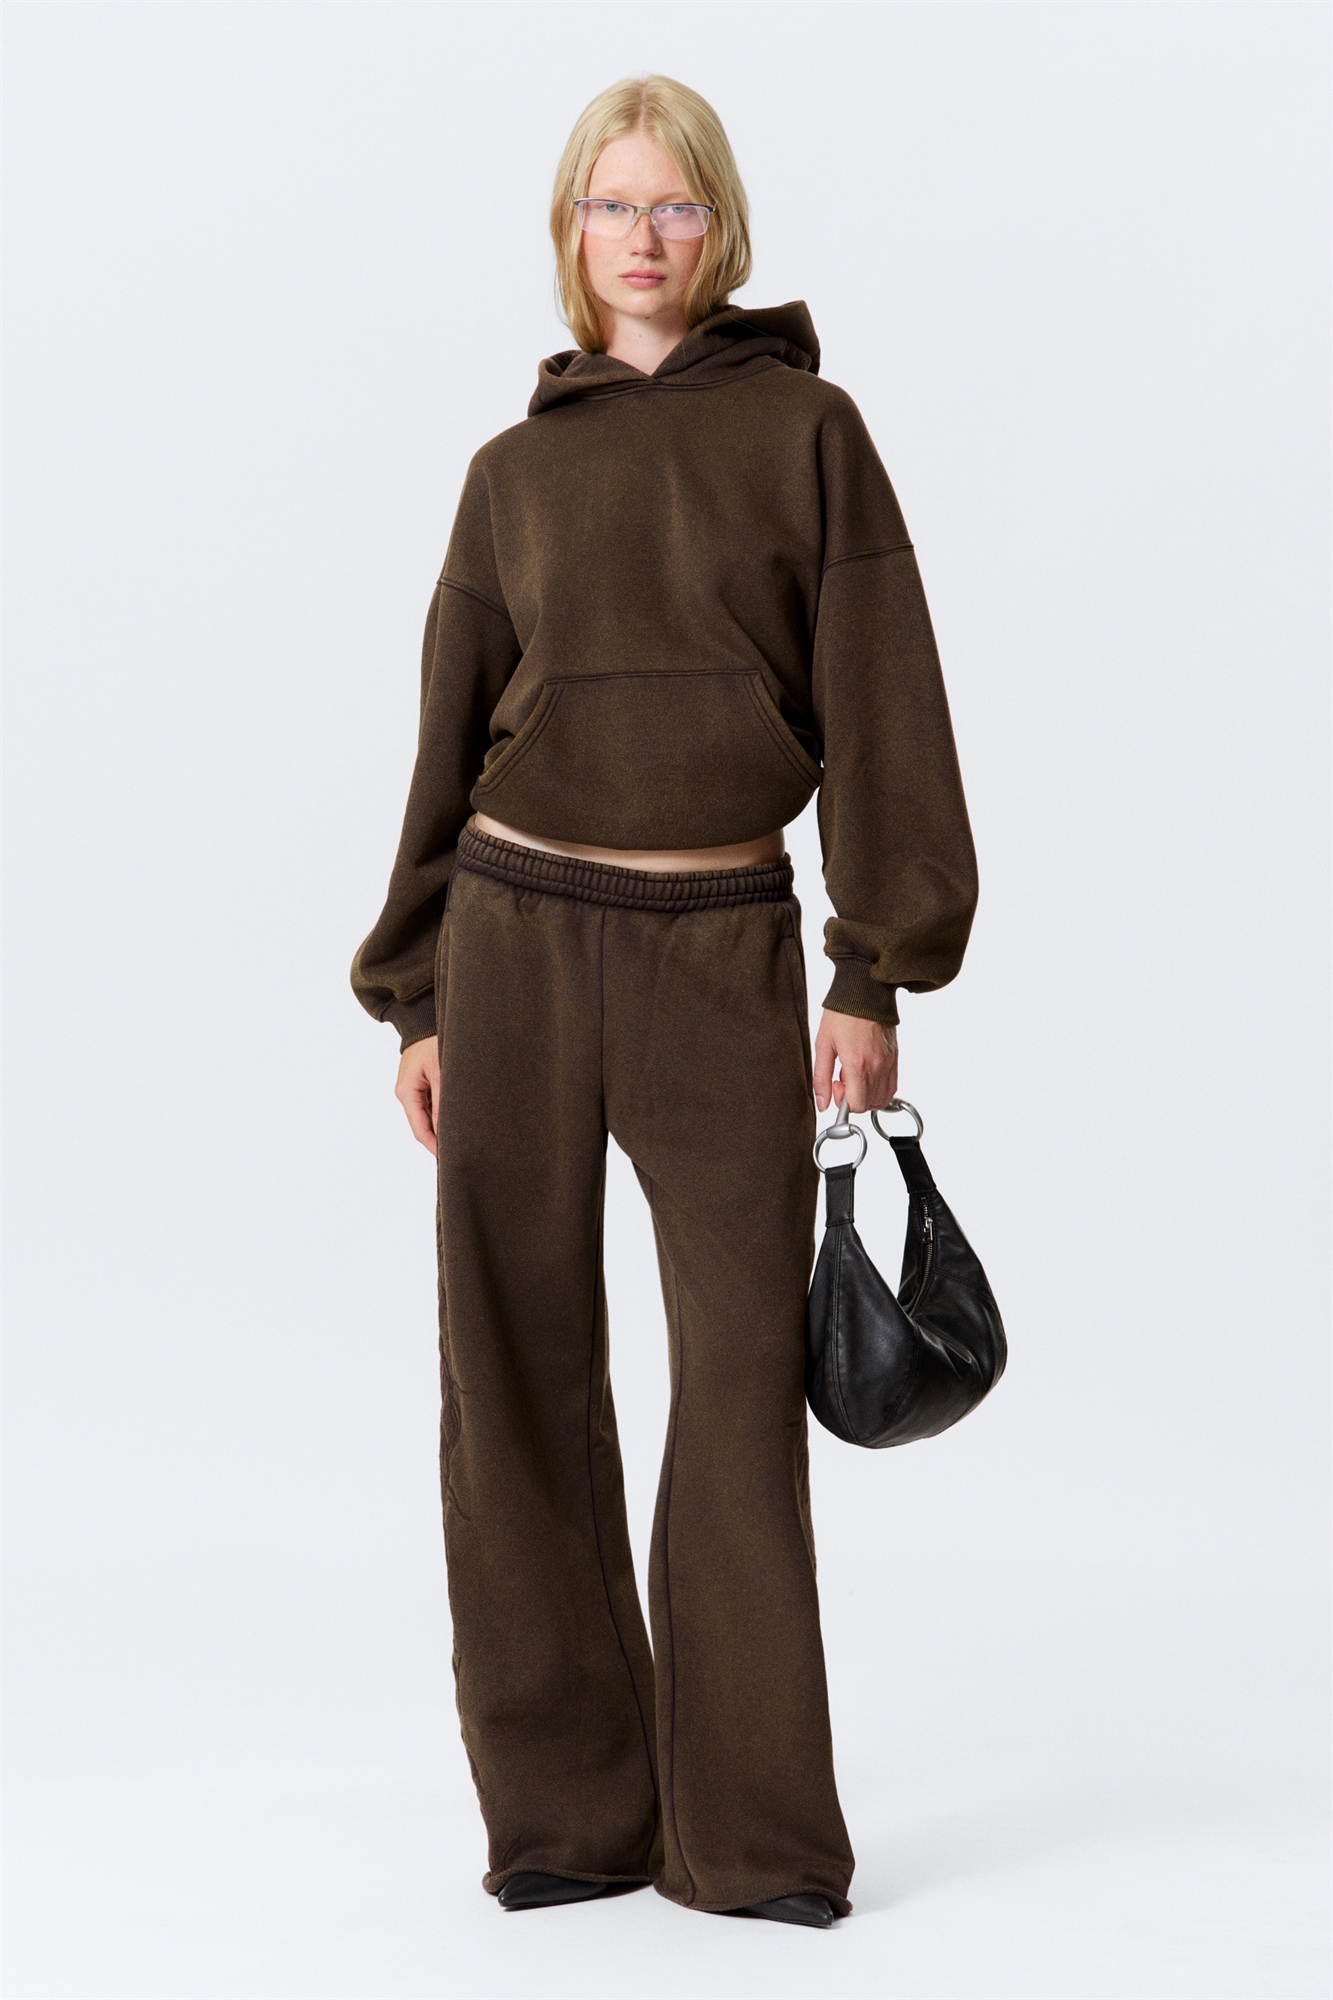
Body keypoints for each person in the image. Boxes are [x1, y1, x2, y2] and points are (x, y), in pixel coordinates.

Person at [351, 74, 977, 1930]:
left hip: (720, 950)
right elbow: (445, 738)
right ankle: (565, 1815)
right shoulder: (511, 473)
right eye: (612, 205)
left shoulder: (808, 433)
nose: (643, 236)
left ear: (721, 227)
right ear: (571, 230)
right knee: (513, 1369)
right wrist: (415, 993)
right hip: (514, 942)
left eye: (675, 205)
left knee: (739, 1381)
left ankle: (752, 1840)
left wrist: (873, 967)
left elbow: (883, 700)